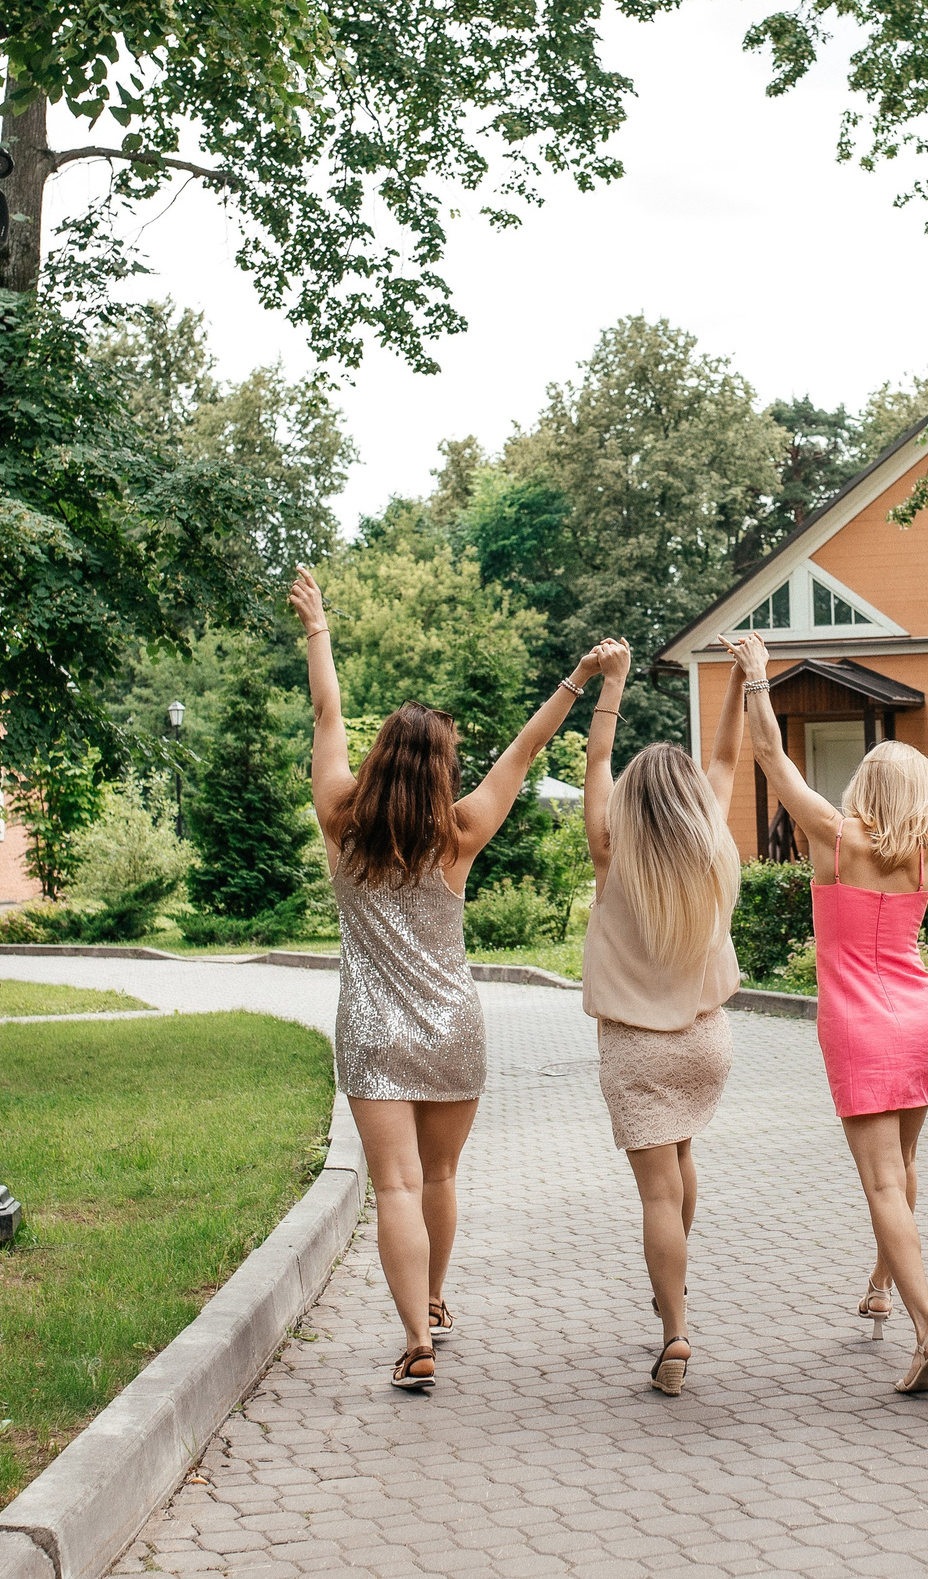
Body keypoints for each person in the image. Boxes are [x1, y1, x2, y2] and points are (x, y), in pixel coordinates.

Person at [291, 564, 609, 1392]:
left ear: (381, 756)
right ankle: (433, 1299)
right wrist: (579, 676)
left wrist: (318, 629)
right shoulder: (460, 830)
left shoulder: (340, 818)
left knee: (391, 1183)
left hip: (371, 1026)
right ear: (439, 766)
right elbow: (527, 747)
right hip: (450, 1026)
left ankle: (413, 1340)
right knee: (438, 1177)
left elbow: (326, 713)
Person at [741, 636, 928, 1394]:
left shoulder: (836, 840)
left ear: (866, 788)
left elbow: (772, 758)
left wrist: (757, 679)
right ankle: (880, 1283)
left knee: (880, 1185)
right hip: (920, 1017)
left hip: (860, 1028)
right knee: (899, 1171)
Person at [578, 634, 758, 1395]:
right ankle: (673, 1282)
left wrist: (609, 684)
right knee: (682, 1159)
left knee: (656, 1191)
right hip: (705, 1041)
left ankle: (674, 1331)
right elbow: (723, 762)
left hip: (634, 1046)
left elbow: (593, 765)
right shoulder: (708, 839)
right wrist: (741, 682)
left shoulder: (611, 847)